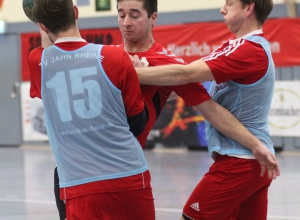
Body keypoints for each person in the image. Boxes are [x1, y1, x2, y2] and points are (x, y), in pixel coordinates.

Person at [52, 0, 280, 218]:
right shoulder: (105, 56)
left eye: (134, 15)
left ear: (153, 18)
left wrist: (131, 75)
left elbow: (204, 100)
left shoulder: (168, 64)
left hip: (120, 171)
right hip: (74, 168)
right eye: (121, 14)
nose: (126, 22)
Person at [135, 0, 279, 219]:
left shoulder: (248, 49)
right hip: (256, 161)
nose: (222, 9)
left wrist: (132, 73)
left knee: (191, 216)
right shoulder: (241, 46)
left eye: (229, 4)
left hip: (239, 160)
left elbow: (186, 75)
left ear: (249, 8)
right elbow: (189, 84)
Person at [28, 0, 154, 219]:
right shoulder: (115, 57)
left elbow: (49, 54)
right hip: (129, 178)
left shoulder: (37, 61)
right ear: (76, 13)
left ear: (43, 27)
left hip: (79, 185)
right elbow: (137, 124)